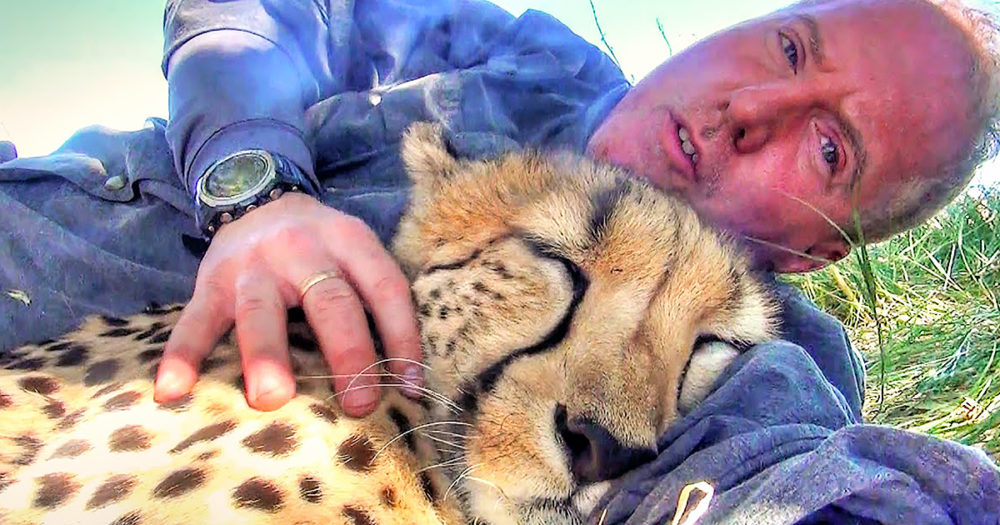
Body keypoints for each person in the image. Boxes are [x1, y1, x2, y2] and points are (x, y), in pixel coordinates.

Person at [0, 0, 998, 521]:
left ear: (820, 251)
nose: (751, 114)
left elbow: (775, 470)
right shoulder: (525, 60)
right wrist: (257, 186)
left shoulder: (757, 356)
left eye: (829, 149)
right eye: (788, 51)